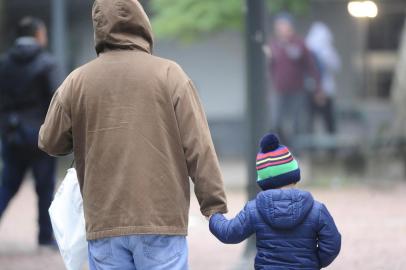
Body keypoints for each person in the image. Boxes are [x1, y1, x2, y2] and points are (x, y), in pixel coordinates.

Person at [38, 0, 228, 269]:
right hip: (161, 218)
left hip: (104, 219)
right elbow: (199, 145)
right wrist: (214, 204)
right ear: (141, 23)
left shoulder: (77, 81)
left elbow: (50, 141)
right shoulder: (170, 74)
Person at [209, 133, 341, 270]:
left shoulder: (254, 210)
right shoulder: (316, 210)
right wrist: (313, 262)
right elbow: (333, 244)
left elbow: (229, 233)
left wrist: (213, 216)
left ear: (264, 183)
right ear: (295, 176)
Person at [0, 17, 60, 247]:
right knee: (45, 188)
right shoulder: (47, 63)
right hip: (40, 136)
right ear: (38, 35)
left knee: (7, 185)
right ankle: (45, 237)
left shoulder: (4, 63)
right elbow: (57, 100)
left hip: (11, 134)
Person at [267, 13, 320, 145]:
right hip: (279, 90)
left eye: (284, 26)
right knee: (276, 120)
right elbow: (269, 67)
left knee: (297, 121)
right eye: (278, 26)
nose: (281, 29)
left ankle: (296, 149)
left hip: (297, 89)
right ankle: (282, 147)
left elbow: (311, 66)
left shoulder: (300, 44)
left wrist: (318, 87)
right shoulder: (273, 45)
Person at [306, 22, 341, 134]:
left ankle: (331, 147)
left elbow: (336, 66)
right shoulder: (309, 51)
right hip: (313, 90)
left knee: (328, 120)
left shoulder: (327, 52)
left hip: (325, 91)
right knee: (310, 121)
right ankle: (312, 147)